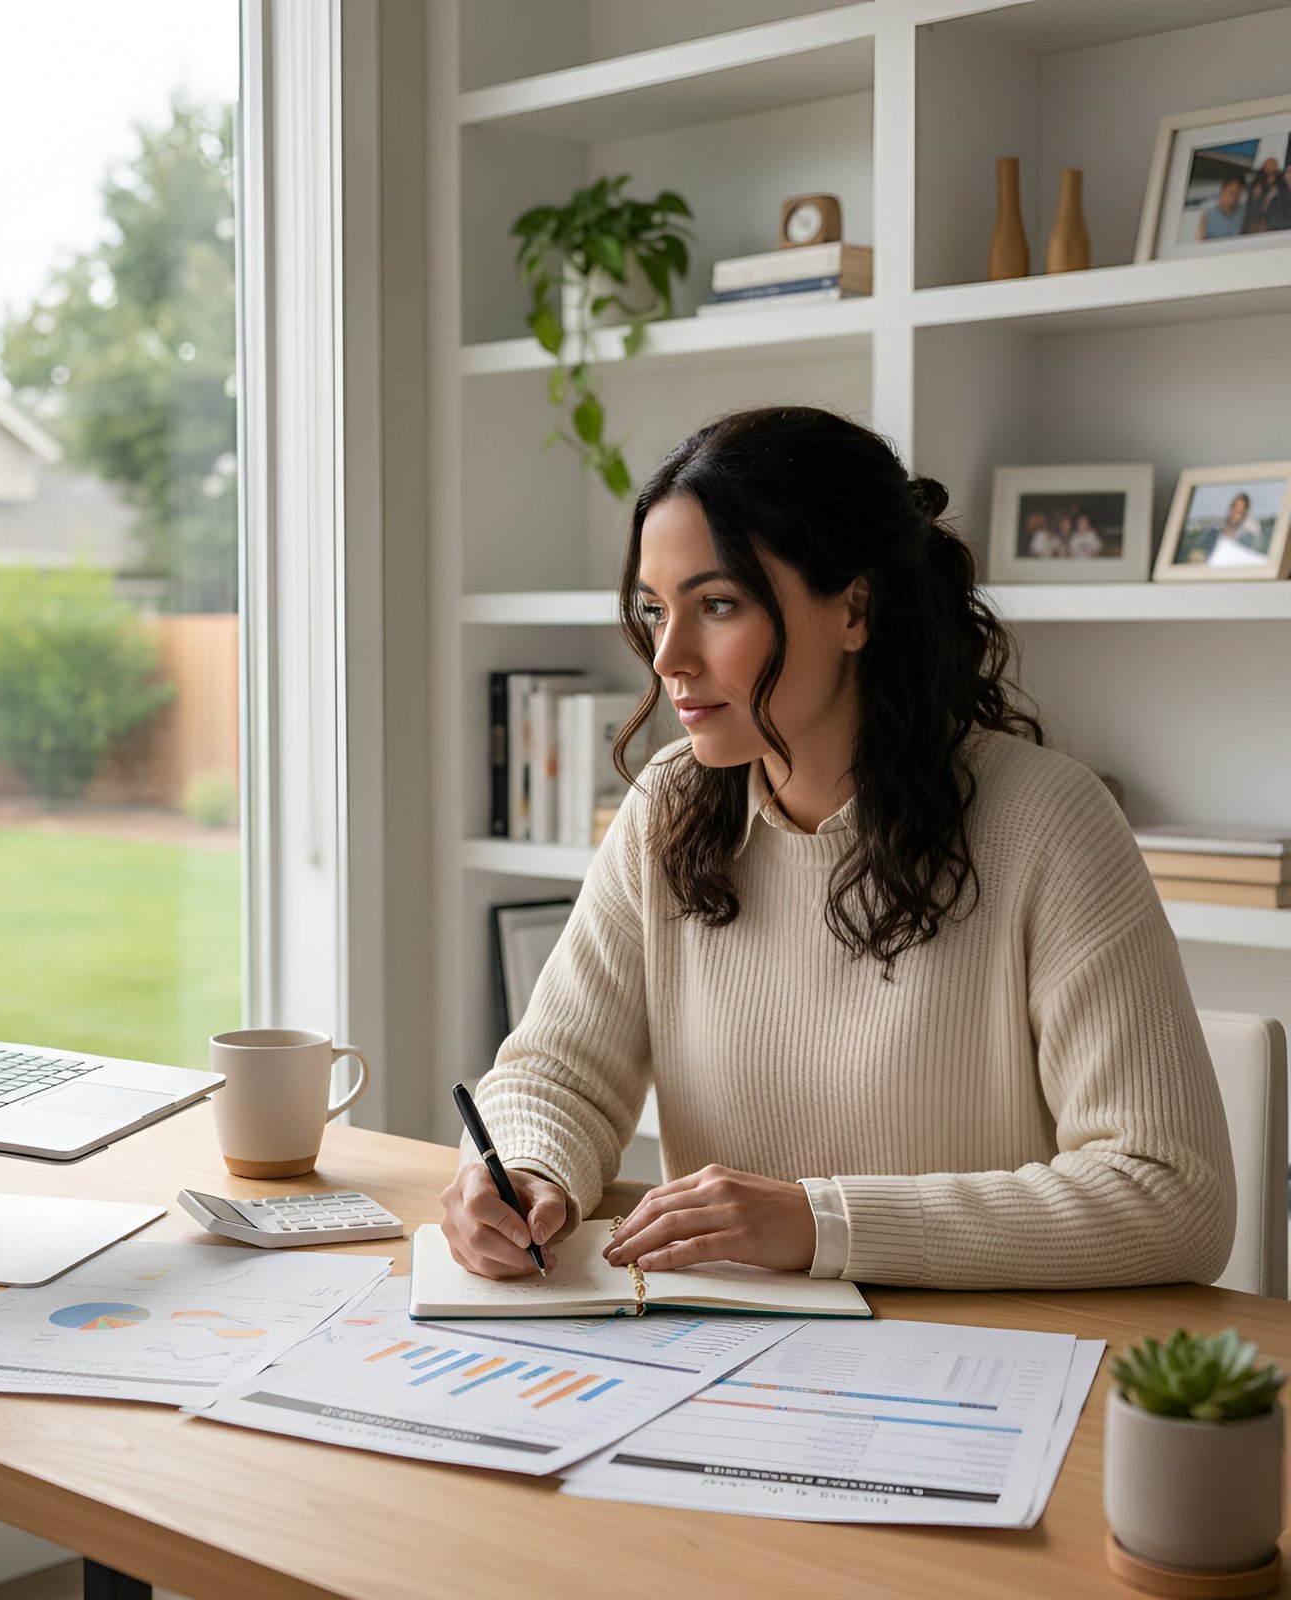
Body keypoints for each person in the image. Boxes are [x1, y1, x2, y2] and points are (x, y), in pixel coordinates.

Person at [440, 406, 1233, 1291]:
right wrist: (523, 1171)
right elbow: (560, 1073)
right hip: (724, 1363)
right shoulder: (668, 806)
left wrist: (825, 1223)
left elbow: (1173, 1195)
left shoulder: (1048, 821)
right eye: (656, 610)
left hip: (982, 1372)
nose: (669, 657)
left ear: (855, 607)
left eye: (717, 605)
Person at [1206, 491, 1266, 566]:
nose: (1235, 512)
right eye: (1234, 506)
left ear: (1245, 511)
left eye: (1239, 510)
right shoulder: (1218, 526)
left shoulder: (1250, 528)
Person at [1198, 174, 1247, 241]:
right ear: (1223, 189)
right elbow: (1199, 241)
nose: (1232, 200)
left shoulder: (1243, 211)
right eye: (1231, 193)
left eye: (1237, 196)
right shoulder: (1207, 211)